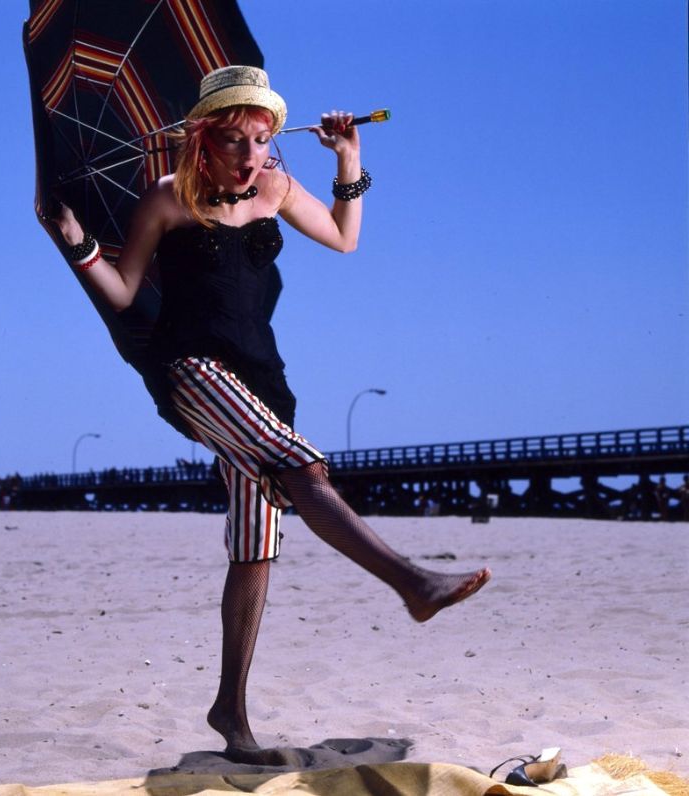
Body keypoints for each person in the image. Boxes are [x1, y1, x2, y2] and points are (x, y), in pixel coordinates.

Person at [54, 65, 491, 762]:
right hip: (192, 371)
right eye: (234, 141)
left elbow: (346, 237)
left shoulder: (278, 189)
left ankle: (230, 712)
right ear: (202, 138)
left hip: (263, 382)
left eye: (262, 140)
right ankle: (413, 582)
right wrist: (78, 244)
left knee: (255, 547)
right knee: (303, 466)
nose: (250, 155)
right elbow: (126, 290)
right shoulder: (165, 200)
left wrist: (350, 158)